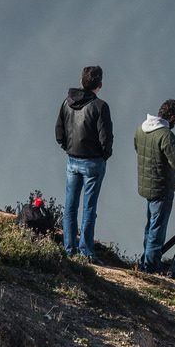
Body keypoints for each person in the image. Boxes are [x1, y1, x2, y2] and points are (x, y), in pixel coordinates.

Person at [54, 65, 113, 262]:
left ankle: (69, 249)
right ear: (100, 85)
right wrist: (104, 155)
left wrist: (67, 147)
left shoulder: (66, 102)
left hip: (72, 160)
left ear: (81, 81)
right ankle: (86, 251)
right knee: (89, 207)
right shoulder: (100, 106)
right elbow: (106, 138)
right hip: (93, 162)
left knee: (70, 206)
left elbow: (59, 132)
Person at [135, 99, 175, 273]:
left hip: (146, 184)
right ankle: (150, 266)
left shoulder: (141, 129)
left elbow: (138, 148)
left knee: (150, 225)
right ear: (171, 117)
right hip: (162, 187)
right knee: (157, 228)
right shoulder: (166, 135)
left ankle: (145, 261)